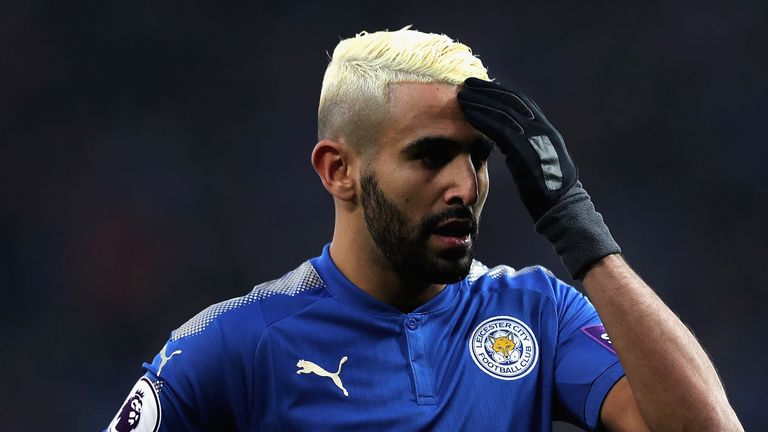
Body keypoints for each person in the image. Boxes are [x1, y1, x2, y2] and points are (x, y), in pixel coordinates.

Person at [105, 28, 743, 431]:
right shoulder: (234, 345)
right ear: (339, 170)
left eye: (479, 157)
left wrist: (577, 226)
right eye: (431, 155)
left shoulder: (538, 314)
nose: (465, 185)